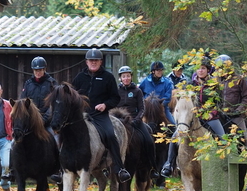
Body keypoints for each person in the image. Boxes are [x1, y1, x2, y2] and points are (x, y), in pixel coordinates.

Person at [72, 49, 131, 183]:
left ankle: (119, 168)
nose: (93, 63)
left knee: (110, 135)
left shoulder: (108, 77)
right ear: (86, 62)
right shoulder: (79, 77)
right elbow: (72, 95)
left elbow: (115, 98)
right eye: (91, 60)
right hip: (82, 115)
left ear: (100, 62)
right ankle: (61, 168)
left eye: (96, 60)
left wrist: (105, 104)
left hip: (99, 115)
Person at [161, 58, 224, 177]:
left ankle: (224, 165)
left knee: (222, 138)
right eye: (199, 68)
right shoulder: (190, 84)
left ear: (208, 70)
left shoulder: (214, 85)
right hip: (193, 118)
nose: (200, 71)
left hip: (210, 117)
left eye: (203, 68)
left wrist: (212, 113)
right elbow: (184, 102)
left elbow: (220, 103)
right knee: (175, 136)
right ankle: (169, 164)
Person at [117, 65, 158, 177]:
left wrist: (137, 119)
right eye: (124, 76)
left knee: (149, 140)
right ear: (120, 78)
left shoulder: (137, 91)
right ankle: (106, 166)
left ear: (131, 77)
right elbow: (112, 106)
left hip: (134, 120)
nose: (126, 78)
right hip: (118, 121)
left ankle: (152, 168)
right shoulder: (116, 91)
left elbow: (142, 108)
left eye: (128, 76)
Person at [217, 54, 247, 147]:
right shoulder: (216, 81)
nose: (222, 69)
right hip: (220, 115)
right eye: (220, 67)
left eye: (224, 67)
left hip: (235, 115)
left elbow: (246, 97)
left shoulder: (239, 80)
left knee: (244, 138)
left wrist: (238, 110)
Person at [20, 56, 58, 127]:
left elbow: (54, 104)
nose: (38, 73)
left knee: (54, 137)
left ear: (44, 69)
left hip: (47, 122)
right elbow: (23, 103)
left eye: (40, 70)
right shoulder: (28, 84)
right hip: (31, 122)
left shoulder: (52, 83)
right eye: (36, 70)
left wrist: (44, 120)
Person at [139, 61, 175, 126]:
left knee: (173, 124)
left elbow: (167, 98)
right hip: (147, 108)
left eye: (161, 70)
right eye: (158, 70)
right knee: (138, 123)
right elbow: (139, 94)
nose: (160, 72)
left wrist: (158, 106)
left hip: (162, 107)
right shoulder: (145, 81)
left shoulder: (167, 83)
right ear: (153, 71)